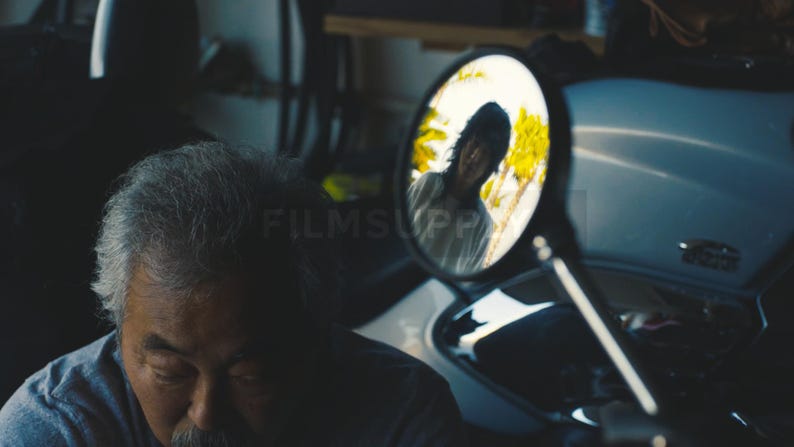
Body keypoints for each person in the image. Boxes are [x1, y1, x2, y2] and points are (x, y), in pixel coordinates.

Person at [0, 142, 467, 446]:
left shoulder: (401, 417)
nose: (206, 414)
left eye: (251, 374)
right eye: (170, 371)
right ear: (119, 331)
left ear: (318, 336)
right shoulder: (55, 430)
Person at [408, 102, 511, 274]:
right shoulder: (427, 184)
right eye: (475, 143)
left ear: (490, 165)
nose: (475, 156)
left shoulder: (482, 225)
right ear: (464, 141)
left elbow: (468, 281)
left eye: (486, 153)